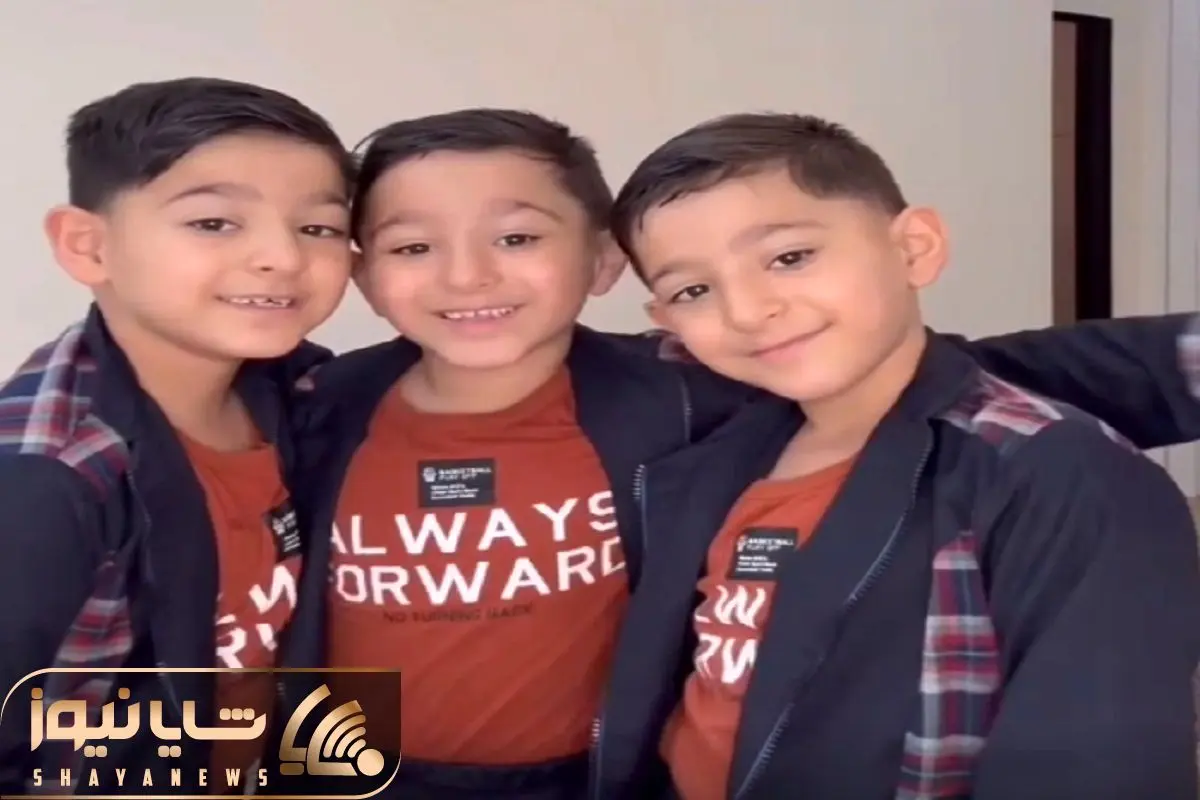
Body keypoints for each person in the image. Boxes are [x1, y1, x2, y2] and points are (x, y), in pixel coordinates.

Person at [289, 108, 1200, 800]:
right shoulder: (315, 404)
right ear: (364, 272)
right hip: (349, 768)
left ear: (601, 264)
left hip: (585, 775)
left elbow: (932, 379)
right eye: (414, 246)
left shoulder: (686, 390)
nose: (467, 275)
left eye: (519, 237)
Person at [592, 112, 1200, 800]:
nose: (747, 311)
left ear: (915, 248)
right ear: (667, 322)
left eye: (790, 257)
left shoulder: (1059, 477)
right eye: (693, 291)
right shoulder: (726, 442)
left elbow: (1092, 765)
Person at [0, 78, 354, 794]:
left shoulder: (299, 388)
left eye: (318, 228)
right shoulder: (49, 476)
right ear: (87, 246)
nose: (283, 257)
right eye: (214, 223)